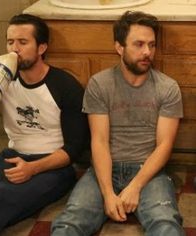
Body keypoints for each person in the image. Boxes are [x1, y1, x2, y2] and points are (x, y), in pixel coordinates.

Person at [51, 11, 185, 236]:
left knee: (166, 224)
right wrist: (107, 193)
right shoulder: (100, 84)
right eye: (139, 44)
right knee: (69, 223)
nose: (147, 52)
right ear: (119, 47)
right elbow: (100, 141)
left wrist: (136, 186)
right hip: (105, 168)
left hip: (148, 170)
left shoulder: (167, 88)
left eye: (151, 45)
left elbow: (164, 145)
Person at [0, 14, 88, 236]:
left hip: (53, 165)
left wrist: (32, 168)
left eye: (22, 42)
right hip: (12, 156)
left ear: (41, 47)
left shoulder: (65, 86)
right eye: (10, 42)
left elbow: (74, 149)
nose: (14, 49)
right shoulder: (5, 82)